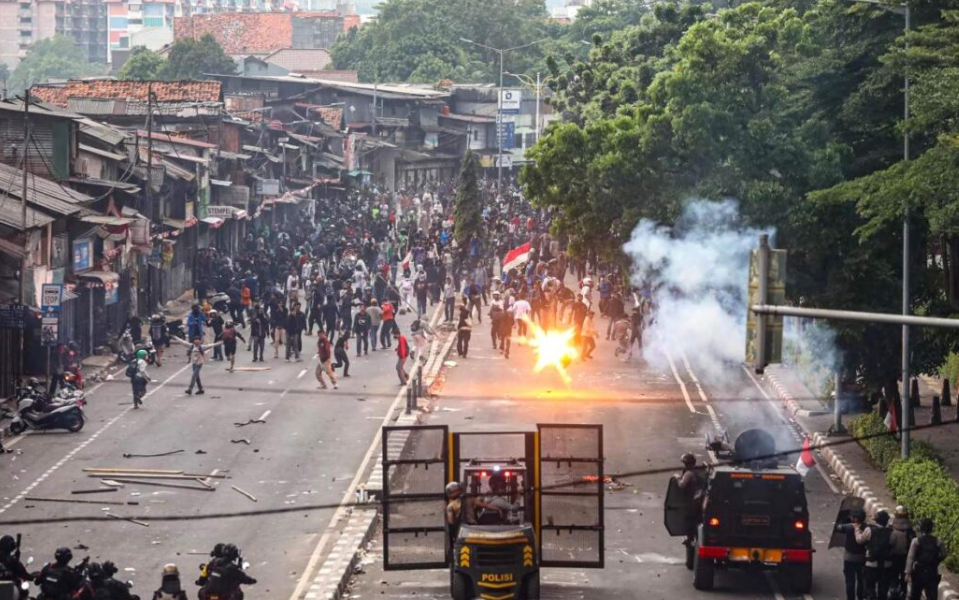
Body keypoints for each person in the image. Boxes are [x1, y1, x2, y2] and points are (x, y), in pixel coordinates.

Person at [857, 510, 893, 600]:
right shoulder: (891, 532)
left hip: (871, 563)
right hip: (886, 564)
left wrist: (857, 530)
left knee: (870, 587)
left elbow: (860, 540)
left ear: (876, 520)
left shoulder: (869, 530)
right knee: (883, 590)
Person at [906, 518, 942, 600]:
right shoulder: (938, 541)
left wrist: (908, 572)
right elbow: (944, 554)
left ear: (921, 528)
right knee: (932, 596)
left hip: (918, 571)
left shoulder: (916, 541)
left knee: (915, 595)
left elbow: (910, 557)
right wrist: (936, 561)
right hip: (932, 571)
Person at [836, 508, 868, 600]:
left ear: (854, 518)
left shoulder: (849, 527)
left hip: (849, 558)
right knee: (861, 580)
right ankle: (860, 597)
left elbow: (838, 528)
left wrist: (843, 517)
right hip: (862, 558)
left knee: (850, 581)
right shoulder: (867, 528)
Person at [676, 453, 703, 554]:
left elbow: (682, 485)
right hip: (700, 499)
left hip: (692, 500)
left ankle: (690, 538)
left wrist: (677, 478)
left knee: (688, 519)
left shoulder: (689, 473)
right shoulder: (700, 471)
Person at [889, 506, 915, 596]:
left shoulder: (891, 528)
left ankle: (893, 592)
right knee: (904, 579)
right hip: (905, 557)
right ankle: (903, 593)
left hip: (893, 557)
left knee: (893, 577)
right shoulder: (910, 530)